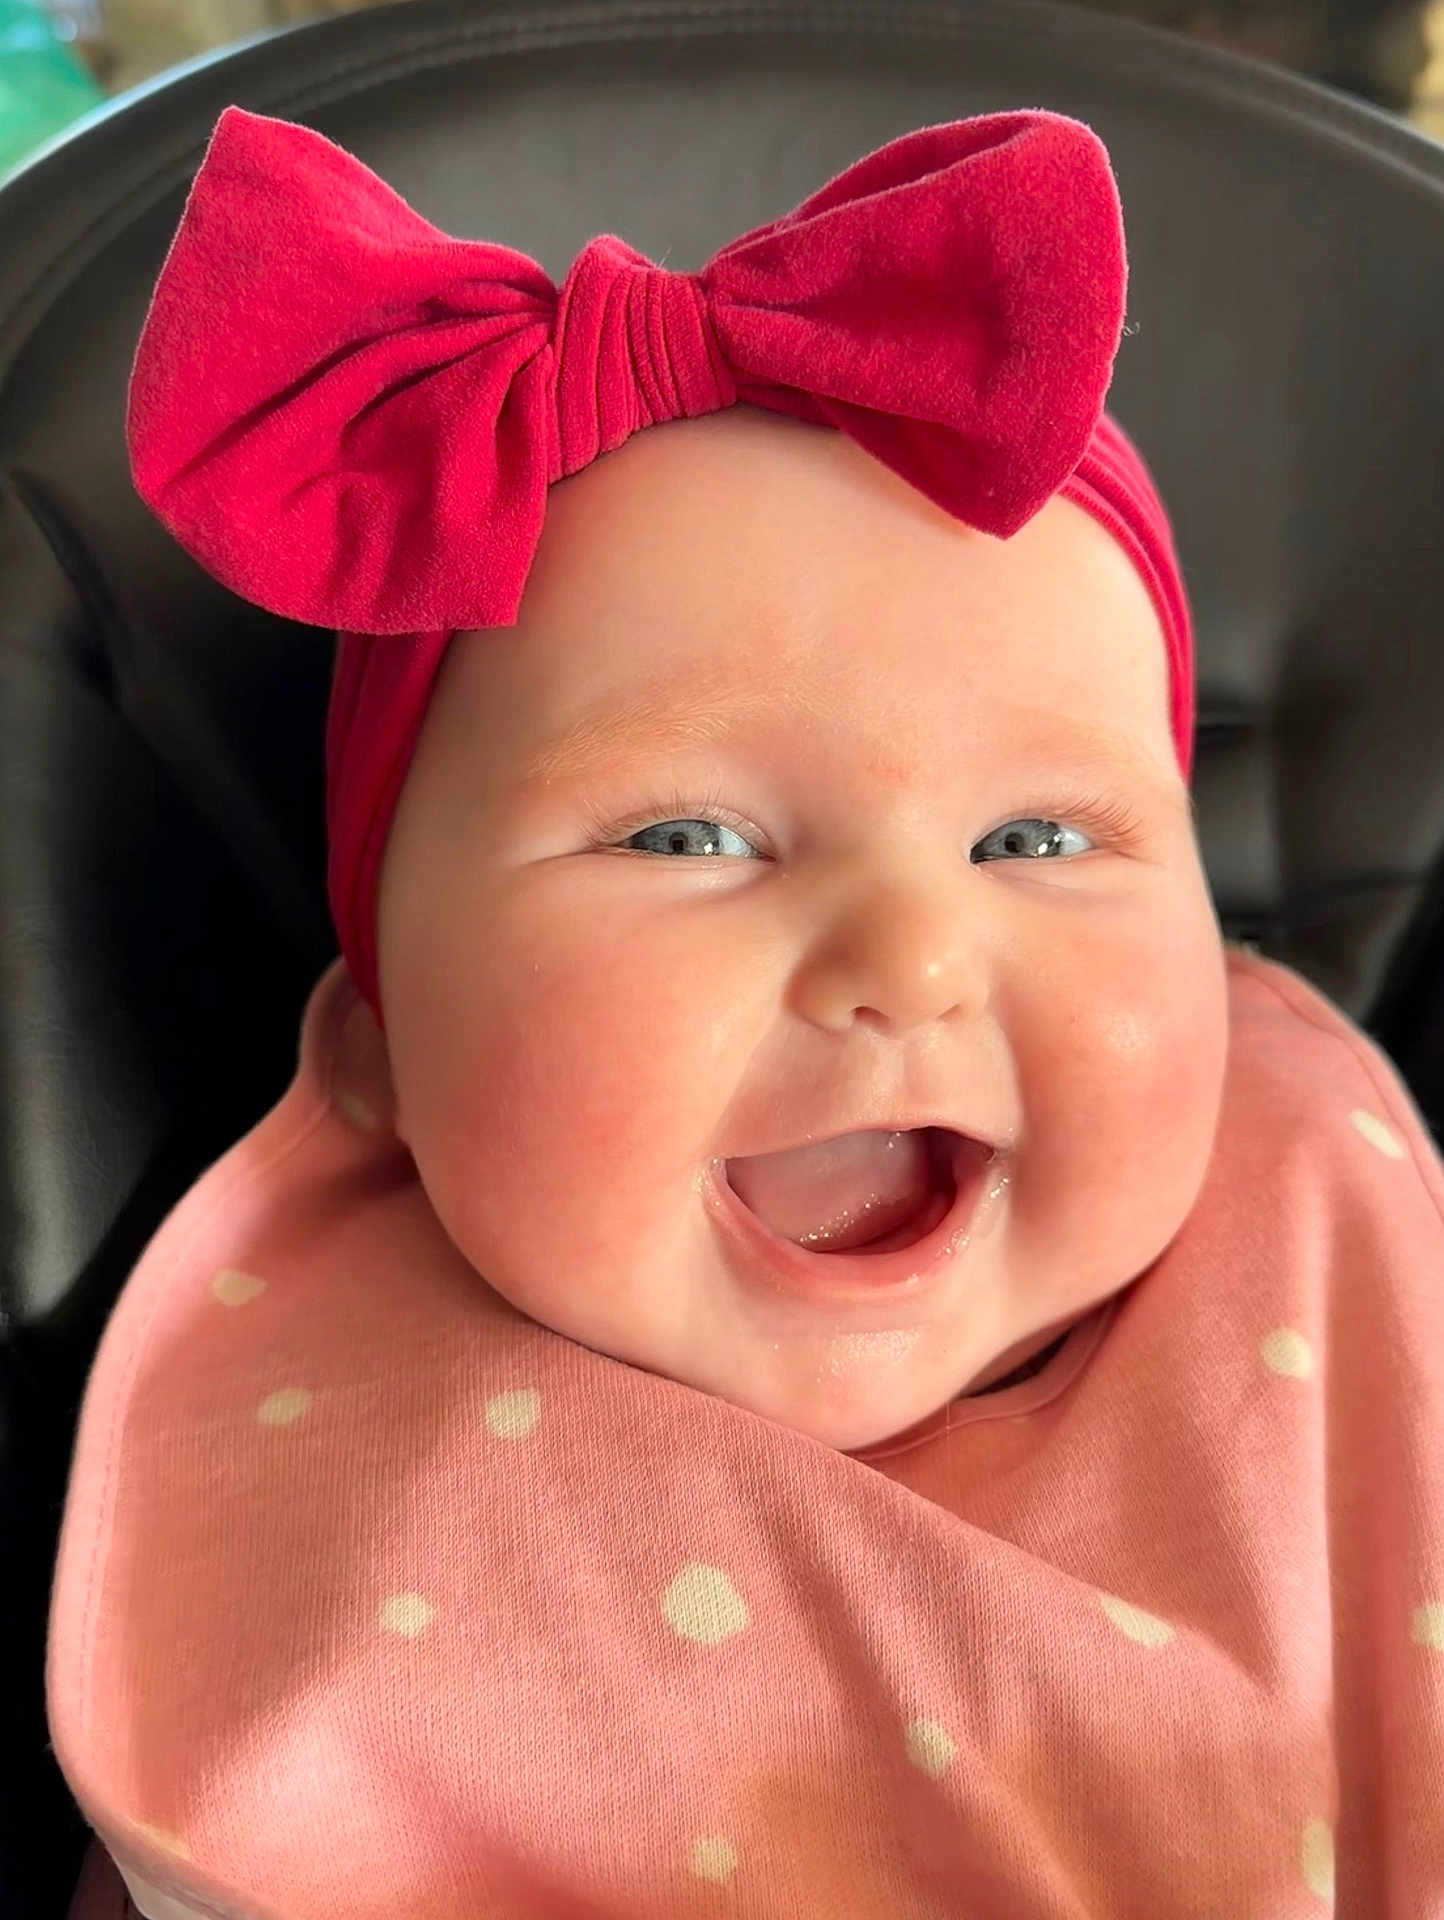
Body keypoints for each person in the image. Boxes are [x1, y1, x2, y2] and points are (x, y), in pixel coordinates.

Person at [47, 104, 1444, 1919]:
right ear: (380, 1032)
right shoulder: (333, 1574)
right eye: (687, 834)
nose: (907, 958)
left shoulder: (1330, 1242)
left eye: (1036, 836)